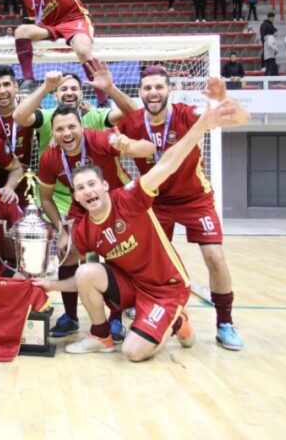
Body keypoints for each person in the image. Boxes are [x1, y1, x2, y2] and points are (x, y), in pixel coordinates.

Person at [34, 80, 245, 361]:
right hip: (129, 281)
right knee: (88, 268)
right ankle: (100, 332)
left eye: (71, 127)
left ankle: (186, 319)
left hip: (163, 287)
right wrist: (50, 284)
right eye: (80, 188)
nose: (66, 133)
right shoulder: (76, 208)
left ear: (106, 185)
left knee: (133, 352)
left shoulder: (131, 195)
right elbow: (79, 274)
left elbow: (164, 159)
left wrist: (200, 126)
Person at [117, 68, 250, 350]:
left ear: (169, 90)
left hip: (194, 198)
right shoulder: (130, 122)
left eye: (158, 87)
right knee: (148, 262)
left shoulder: (185, 113)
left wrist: (226, 101)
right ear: (139, 92)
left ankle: (224, 323)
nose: (153, 92)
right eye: (147, 88)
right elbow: (103, 142)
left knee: (214, 256)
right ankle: (160, 313)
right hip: (155, 200)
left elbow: (242, 118)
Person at [36, 105, 153, 340]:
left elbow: (147, 148)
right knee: (67, 252)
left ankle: (116, 320)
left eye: (72, 127)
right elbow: (46, 199)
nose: (67, 133)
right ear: (53, 133)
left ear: (82, 126)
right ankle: (70, 317)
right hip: (82, 207)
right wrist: (62, 230)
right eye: (60, 129)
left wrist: (127, 145)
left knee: (116, 254)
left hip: (119, 205)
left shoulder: (99, 140)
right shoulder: (50, 157)